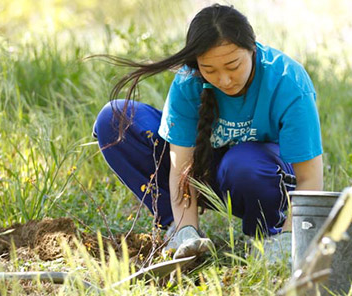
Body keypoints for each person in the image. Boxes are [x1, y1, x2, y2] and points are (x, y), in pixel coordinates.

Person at [92, 4, 323, 260]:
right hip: (206, 172)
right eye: (210, 70)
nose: (224, 80)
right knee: (114, 119)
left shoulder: (288, 81)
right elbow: (181, 167)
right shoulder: (189, 81)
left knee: (244, 163)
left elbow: (309, 178)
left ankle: (269, 237)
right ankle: (179, 231)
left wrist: (291, 239)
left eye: (233, 65)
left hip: (261, 174)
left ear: (252, 49)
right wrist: (186, 231)